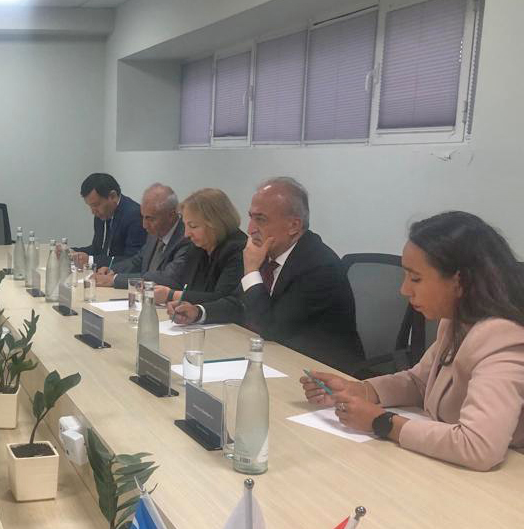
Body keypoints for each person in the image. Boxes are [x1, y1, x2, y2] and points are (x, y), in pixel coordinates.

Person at [303, 212, 524, 471]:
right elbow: (420, 383)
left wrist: (383, 423)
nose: (404, 290)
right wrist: (359, 390)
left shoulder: (503, 339)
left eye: (416, 278)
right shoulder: (456, 322)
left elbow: (478, 446)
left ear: (460, 281)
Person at [168, 177, 364, 373]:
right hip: (279, 358)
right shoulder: (270, 253)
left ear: (294, 226)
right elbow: (239, 303)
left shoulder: (318, 266)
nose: (250, 229)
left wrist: (251, 271)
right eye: (251, 217)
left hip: (324, 371)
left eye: (260, 220)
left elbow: (271, 327)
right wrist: (199, 312)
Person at [91, 183, 190, 289]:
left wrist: (114, 279)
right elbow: (137, 261)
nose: (144, 225)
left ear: (171, 215)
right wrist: (112, 270)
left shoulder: (186, 238)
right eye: (143, 217)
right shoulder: (155, 232)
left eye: (150, 218)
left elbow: (167, 278)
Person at [158, 188, 246, 305]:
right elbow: (182, 284)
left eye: (193, 226)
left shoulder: (238, 249)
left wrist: (171, 295)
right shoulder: (197, 247)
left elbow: (223, 300)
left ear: (216, 224)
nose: (186, 234)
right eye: (185, 225)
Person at [69, 173, 146, 269]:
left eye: (96, 205)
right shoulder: (102, 214)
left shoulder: (134, 216)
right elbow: (97, 249)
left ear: (113, 196)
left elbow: (132, 261)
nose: (93, 211)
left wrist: (90, 260)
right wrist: (72, 252)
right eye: (90, 206)